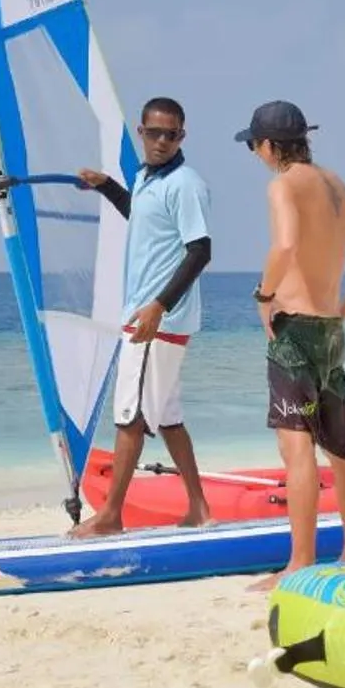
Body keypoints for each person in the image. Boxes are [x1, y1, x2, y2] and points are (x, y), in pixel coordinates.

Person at [236, 100, 345, 585]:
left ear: (270, 145)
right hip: (330, 331)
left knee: (296, 449)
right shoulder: (335, 183)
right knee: (342, 449)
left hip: (295, 333)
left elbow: (285, 245)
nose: (255, 154)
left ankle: (300, 563)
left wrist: (263, 294)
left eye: (255, 145)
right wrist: (344, 309)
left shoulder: (282, 185)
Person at [69, 97, 214, 536]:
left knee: (130, 414)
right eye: (155, 133)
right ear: (142, 132)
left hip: (157, 320)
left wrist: (158, 305)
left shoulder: (186, 183)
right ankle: (199, 508)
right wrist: (108, 186)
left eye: (172, 134)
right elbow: (143, 215)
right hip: (153, 316)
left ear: (182, 136)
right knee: (167, 417)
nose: (163, 141)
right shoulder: (148, 179)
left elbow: (200, 250)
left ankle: (112, 516)